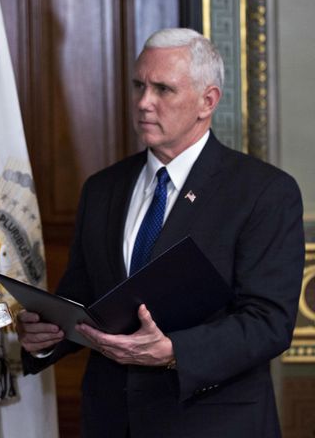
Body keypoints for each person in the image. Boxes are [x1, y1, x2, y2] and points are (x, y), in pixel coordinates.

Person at [16, 28, 304, 437]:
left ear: (208, 101)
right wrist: (47, 335)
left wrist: (174, 352)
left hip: (212, 421)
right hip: (111, 418)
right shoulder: (102, 188)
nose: (143, 102)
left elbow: (269, 321)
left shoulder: (263, 191)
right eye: (139, 85)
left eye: (163, 89)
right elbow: (82, 296)